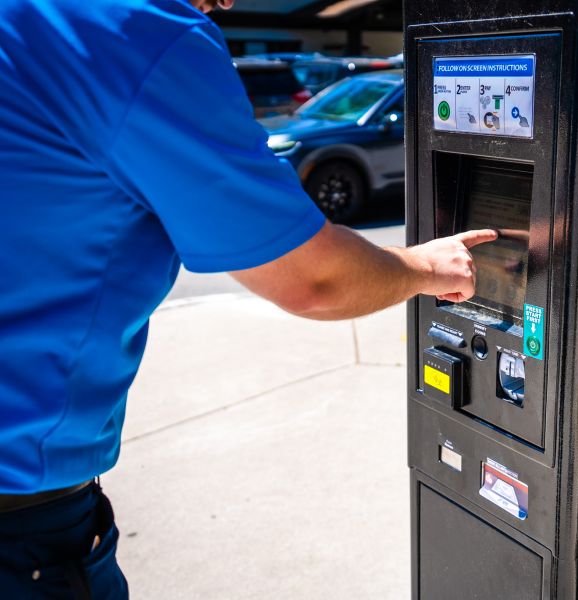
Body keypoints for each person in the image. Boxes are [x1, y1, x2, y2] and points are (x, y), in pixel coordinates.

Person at [0, 0, 497, 597]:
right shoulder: (138, 32)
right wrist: (422, 267)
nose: (227, 3)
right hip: (22, 523)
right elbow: (314, 279)